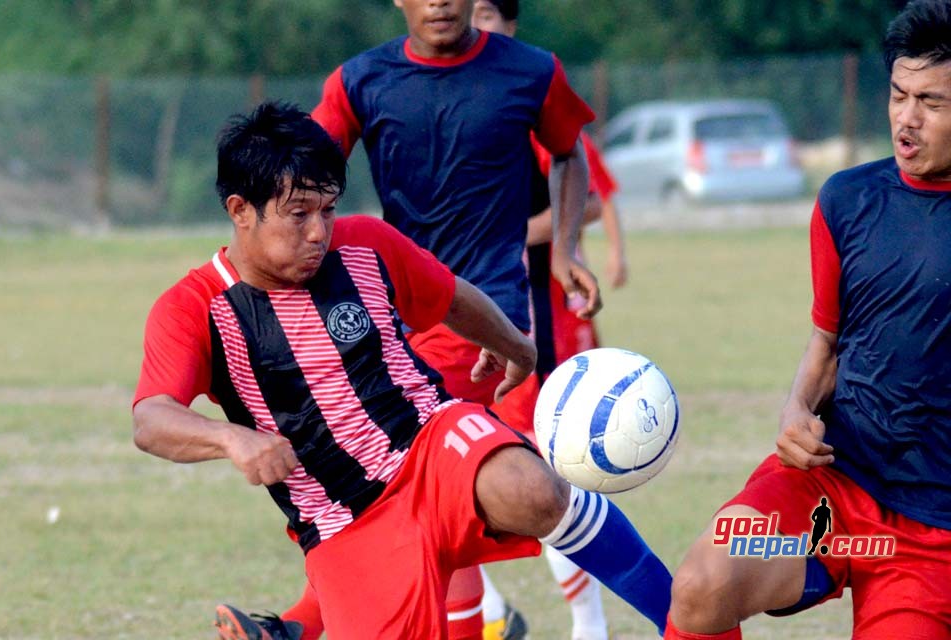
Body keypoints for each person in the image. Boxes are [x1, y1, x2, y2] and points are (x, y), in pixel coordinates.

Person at [134, 102, 671, 640]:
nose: (319, 231)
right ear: (240, 209)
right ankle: (298, 627)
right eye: (299, 214)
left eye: (328, 209)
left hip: (429, 442)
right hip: (346, 520)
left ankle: (689, 627)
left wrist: (517, 345)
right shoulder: (194, 306)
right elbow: (152, 419)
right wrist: (231, 439)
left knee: (533, 490)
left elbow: (449, 294)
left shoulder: (365, 242)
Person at [665, 2, 951, 638]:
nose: (907, 119)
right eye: (900, 94)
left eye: (932, 103)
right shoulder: (846, 200)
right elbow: (828, 342)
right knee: (701, 588)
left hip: (933, 530)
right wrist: (795, 411)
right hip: (830, 482)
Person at [469, 2, 628, 639]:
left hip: (524, 321)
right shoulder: (441, 103)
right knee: (423, 477)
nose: (465, 21)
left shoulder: (525, 95)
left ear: (508, 19)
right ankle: (489, 614)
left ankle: (590, 622)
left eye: (482, 9)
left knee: (540, 481)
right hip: (442, 325)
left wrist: (522, 240)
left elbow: (587, 195)